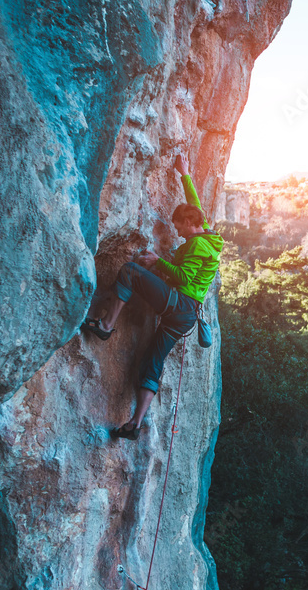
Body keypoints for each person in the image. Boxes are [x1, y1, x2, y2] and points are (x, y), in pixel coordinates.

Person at [81, 153, 224, 440]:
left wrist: (157, 261)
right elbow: (194, 205)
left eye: (179, 227)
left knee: (132, 271)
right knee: (152, 361)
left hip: (178, 301)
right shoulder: (208, 236)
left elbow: (182, 278)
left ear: (188, 223)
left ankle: (106, 326)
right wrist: (184, 173)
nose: (178, 232)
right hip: (187, 316)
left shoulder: (197, 246)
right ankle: (135, 423)